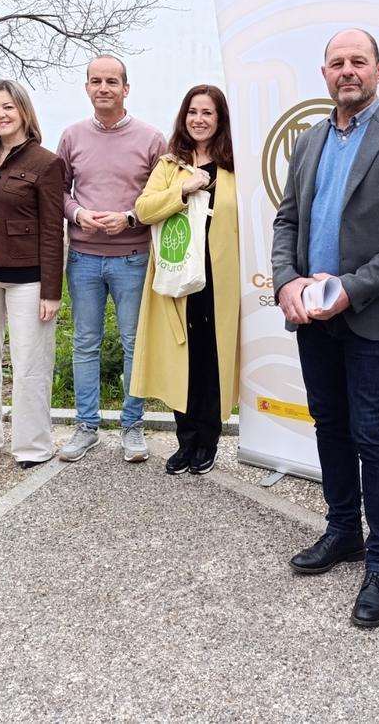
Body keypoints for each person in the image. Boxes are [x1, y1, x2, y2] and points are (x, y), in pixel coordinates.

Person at [271, 28, 379, 628]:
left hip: (369, 316)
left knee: (373, 435)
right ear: (324, 74)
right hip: (310, 315)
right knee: (330, 425)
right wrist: (287, 280)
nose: (348, 71)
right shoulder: (309, 140)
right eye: (337, 62)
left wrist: (350, 290)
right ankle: (343, 531)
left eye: (358, 61)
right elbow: (287, 219)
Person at [56, 55, 166, 464]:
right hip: (83, 257)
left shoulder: (152, 139)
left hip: (133, 258)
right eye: (96, 81)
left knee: (134, 344)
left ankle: (132, 426)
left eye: (112, 82)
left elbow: (162, 196)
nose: (104, 88)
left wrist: (131, 218)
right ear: (87, 87)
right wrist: (78, 214)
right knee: (85, 343)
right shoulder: (71, 137)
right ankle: (86, 427)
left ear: (126, 88)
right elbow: (59, 192)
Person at [130, 86, 240, 476]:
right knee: (183, 357)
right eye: (192, 111)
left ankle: (208, 440)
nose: (199, 119)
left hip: (219, 279)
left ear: (221, 119)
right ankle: (185, 439)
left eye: (207, 113)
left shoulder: (234, 166)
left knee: (211, 356)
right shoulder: (170, 164)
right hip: (177, 276)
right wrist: (182, 188)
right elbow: (144, 210)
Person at [0, 80, 66, 470]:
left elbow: (54, 230)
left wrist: (51, 290)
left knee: (30, 362)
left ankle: (33, 446)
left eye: (8, 107)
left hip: (27, 277)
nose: (0, 115)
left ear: (23, 111)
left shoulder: (46, 163)